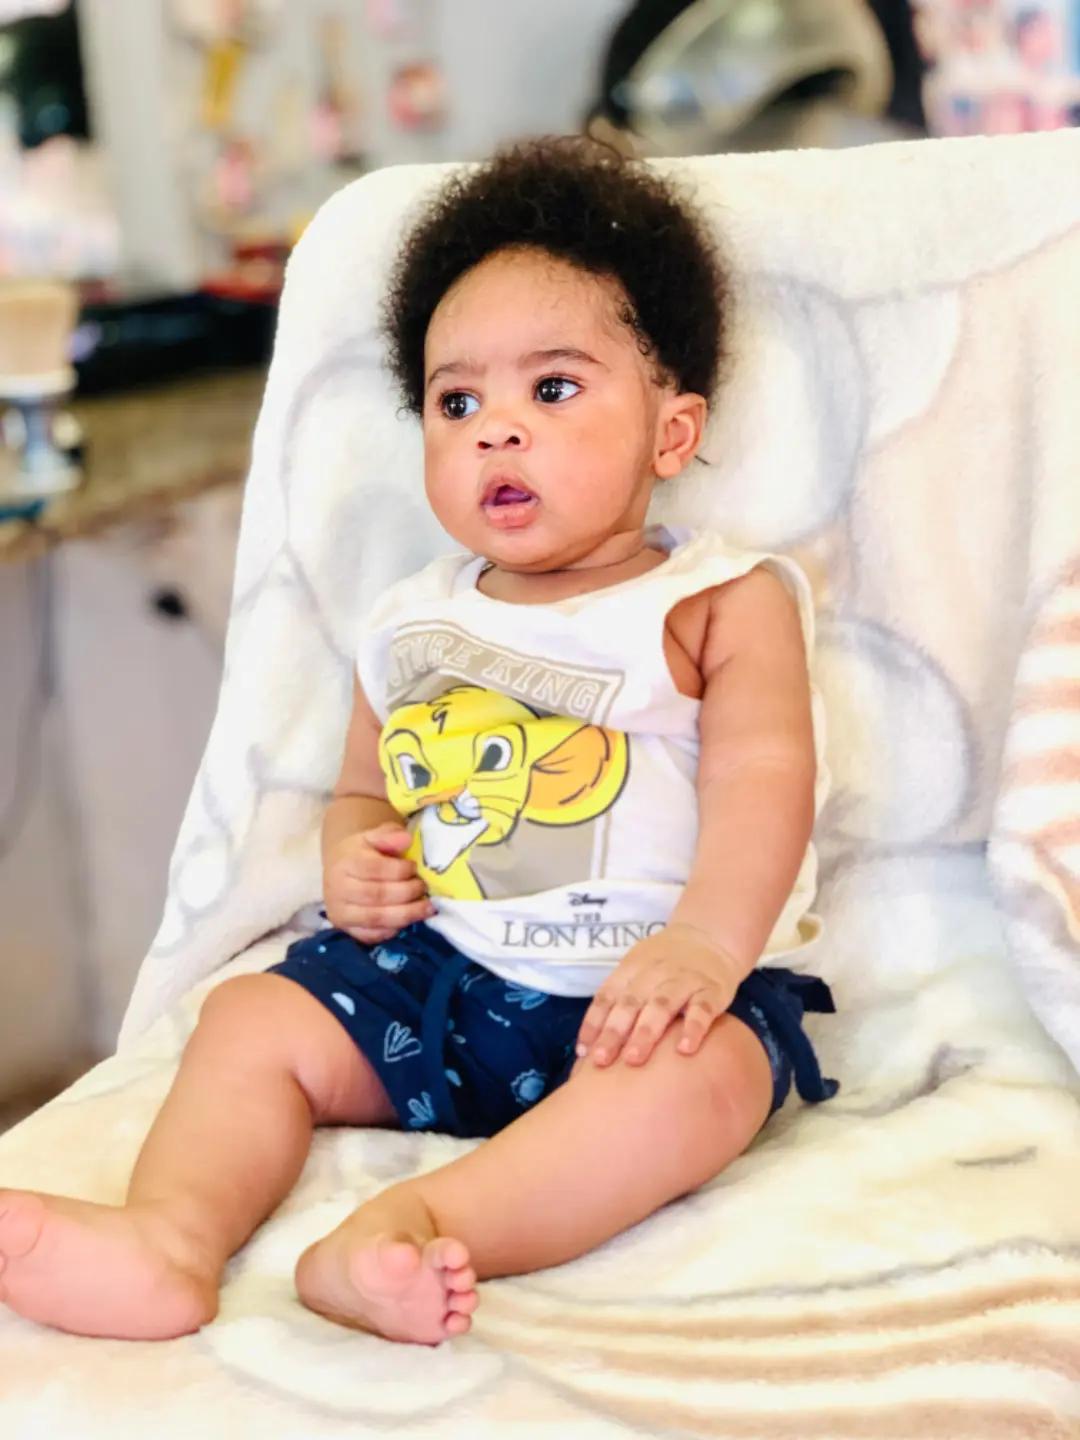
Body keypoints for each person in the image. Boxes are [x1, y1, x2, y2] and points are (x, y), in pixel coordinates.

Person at [0, 138, 837, 1347]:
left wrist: (706, 947)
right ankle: (169, 1238)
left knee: (710, 1083)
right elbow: (363, 792)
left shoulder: (716, 600)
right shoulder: (412, 623)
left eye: (554, 390)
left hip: (642, 1001)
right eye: (458, 403)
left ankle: (411, 1228)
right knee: (250, 1022)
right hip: (440, 986)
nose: (497, 431)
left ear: (671, 432)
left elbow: (767, 777)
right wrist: (355, 857)